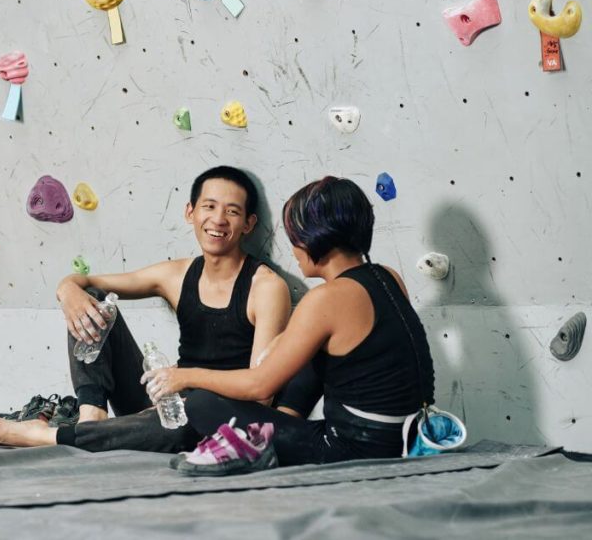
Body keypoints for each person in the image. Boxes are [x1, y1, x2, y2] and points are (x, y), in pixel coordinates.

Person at [0, 166, 292, 452]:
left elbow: (260, 394)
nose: (218, 219)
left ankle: (46, 436)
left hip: (214, 415)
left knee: (184, 426)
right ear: (190, 212)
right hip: (165, 400)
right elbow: (86, 281)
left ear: (249, 224)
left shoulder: (266, 288)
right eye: (209, 206)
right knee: (90, 296)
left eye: (232, 212)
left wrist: (186, 381)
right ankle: (92, 414)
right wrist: (67, 289)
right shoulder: (174, 275)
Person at [142, 176, 436, 472]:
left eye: (294, 235)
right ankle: (274, 431)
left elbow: (259, 385)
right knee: (307, 356)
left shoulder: (327, 299)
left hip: (356, 449)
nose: (293, 248)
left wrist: (185, 376)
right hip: (407, 436)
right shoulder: (387, 277)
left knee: (200, 404)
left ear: (314, 236)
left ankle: (262, 445)